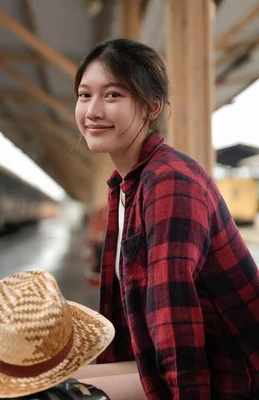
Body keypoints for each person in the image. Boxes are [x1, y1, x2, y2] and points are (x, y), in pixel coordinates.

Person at [71, 38, 259, 399]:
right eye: (84, 95)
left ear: (151, 107)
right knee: (40, 386)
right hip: (170, 361)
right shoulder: (126, 186)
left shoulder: (169, 181)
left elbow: (175, 320)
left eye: (112, 95)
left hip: (231, 373)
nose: (93, 110)